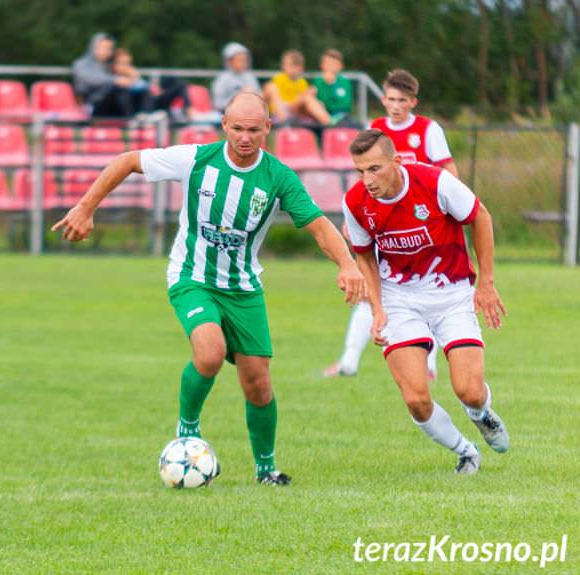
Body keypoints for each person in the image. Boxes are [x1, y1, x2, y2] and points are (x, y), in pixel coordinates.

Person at [53, 91, 366, 485]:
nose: (245, 137)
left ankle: (266, 470)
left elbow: (318, 225)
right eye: (237, 128)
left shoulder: (279, 177)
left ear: (268, 128)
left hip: (243, 288)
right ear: (224, 125)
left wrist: (347, 264)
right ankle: (187, 430)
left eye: (254, 130)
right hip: (192, 277)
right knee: (210, 352)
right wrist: (85, 207)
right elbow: (128, 160)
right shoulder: (196, 159)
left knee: (258, 381)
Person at [343, 129, 509, 474]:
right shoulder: (355, 202)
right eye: (359, 171)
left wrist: (486, 283)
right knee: (416, 399)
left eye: (374, 169)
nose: (367, 180)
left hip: (451, 293)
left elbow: (481, 216)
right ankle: (465, 451)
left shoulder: (435, 183)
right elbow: (365, 256)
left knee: (470, 391)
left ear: (396, 161)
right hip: (399, 298)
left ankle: (481, 414)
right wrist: (377, 309)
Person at [325, 69, 457, 379]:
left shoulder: (428, 130)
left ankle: (428, 365)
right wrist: (354, 218)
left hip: (422, 224)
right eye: (390, 100)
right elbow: (365, 177)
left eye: (401, 100)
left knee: (427, 290)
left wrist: (446, 211)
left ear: (413, 102)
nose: (395, 106)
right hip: (384, 224)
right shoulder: (376, 129)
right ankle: (348, 362)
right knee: (371, 290)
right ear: (383, 100)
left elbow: (448, 172)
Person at [111, 48, 192, 119]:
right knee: (145, 93)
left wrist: (155, 89)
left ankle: (189, 110)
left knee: (175, 81)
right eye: (123, 63)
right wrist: (133, 77)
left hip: (152, 100)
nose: (127, 66)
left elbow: (146, 86)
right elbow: (135, 88)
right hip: (142, 107)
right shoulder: (114, 79)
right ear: (114, 65)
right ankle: (178, 113)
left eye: (128, 63)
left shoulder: (131, 77)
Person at [72, 33, 139, 118]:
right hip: (91, 105)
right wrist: (115, 80)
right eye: (104, 47)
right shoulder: (81, 64)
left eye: (110, 48)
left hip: (112, 104)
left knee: (144, 92)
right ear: (94, 47)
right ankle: (131, 120)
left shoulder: (111, 64)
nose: (107, 51)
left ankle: (145, 116)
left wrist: (131, 75)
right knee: (120, 91)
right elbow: (91, 79)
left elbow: (128, 83)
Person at [263, 50, 330, 125]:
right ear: (284, 66)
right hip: (280, 109)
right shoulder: (278, 79)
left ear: (301, 68)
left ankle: (328, 123)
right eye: (291, 65)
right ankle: (282, 121)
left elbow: (302, 103)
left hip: (295, 111)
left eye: (296, 66)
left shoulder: (302, 82)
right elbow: (270, 96)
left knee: (312, 96)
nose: (293, 69)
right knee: (270, 87)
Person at [210, 42, 259, 112]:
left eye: (245, 60)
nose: (244, 63)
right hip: (229, 113)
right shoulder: (222, 79)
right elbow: (217, 104)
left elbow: (259, 98)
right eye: (240, 60)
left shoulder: (249, 76)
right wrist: (239, 98)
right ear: (229, 61)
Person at [312, 49, 355, 126]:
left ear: (341, 66)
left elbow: (345, 105)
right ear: (322, 65)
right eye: (328, 64)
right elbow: (317, 102)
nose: (331, 67)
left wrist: (332, 84)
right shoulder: (317, 81)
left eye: (334, 64)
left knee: (355, 124)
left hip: (342, 116)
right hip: (320, 117)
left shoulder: (344, 81)